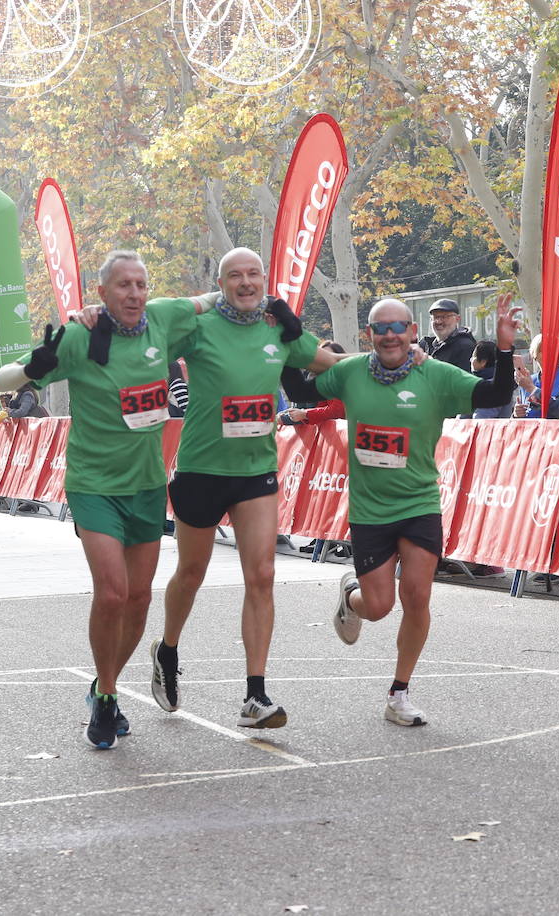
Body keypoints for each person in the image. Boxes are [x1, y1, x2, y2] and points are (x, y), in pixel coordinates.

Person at [0, 250, 207, 749]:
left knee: (139, 597)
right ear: (102, 292)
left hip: (148, 484)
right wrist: (34, 366)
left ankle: (101, 685)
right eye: (123, 286)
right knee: (111, 592)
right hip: (93, 484)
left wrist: (266, 304)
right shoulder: (80, 335)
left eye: (141, 285)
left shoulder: (163, 318)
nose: (134, 294)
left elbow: (218, 297)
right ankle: (107, 696)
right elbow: (0, 380)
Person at [139, 247, 338, 730]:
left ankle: (255, 695)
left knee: (263, 574)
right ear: (221, 282)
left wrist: (397, 362)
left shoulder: (278, 327)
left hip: (256, 473)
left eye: (254, 274)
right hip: (202, 470)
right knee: (191, 573)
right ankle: (166, 650)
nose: (246, 283)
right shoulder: (198, 326)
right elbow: (148, 331)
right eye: (235, 276)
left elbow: (332, 366)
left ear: (264, 280)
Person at [301, 295, 517, 725]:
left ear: (413, 332)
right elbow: (299, 390)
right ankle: (351, 596)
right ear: (369, 336)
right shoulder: (351, 371)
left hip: (419, 502)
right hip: (369, 508)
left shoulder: (434, 374)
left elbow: (494, 391)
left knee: (417, 595)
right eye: (380, 328)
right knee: (378, 606)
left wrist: (506, 349)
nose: (390, 335)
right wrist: (287, 339)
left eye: (398, 327)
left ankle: (399, 693)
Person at [418, 299, 475, 371]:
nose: (438, 321)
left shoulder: (465, 346)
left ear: (457, 319)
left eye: (444, 317)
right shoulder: (424, 345)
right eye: (435, 317)